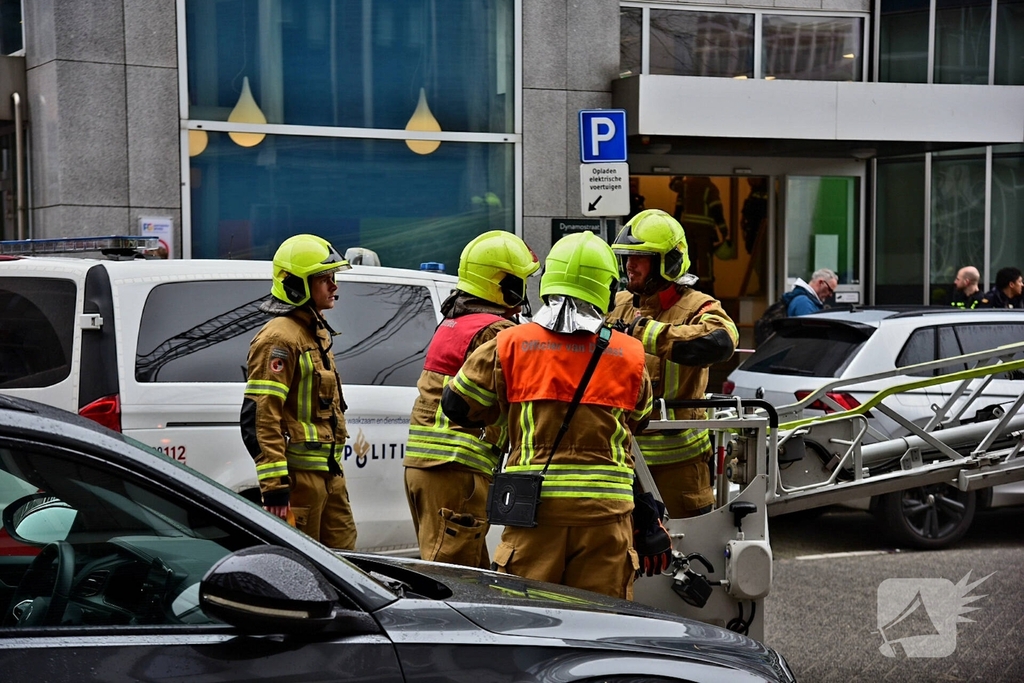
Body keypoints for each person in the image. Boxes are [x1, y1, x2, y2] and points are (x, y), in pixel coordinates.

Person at [441, 231, 654, 599]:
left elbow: (456, 404)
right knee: (602, 631)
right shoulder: (631, 354)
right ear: (606, 288)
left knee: (532, 627)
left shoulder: (509, 344)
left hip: (534, 512)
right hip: (606, 515)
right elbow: (641, 419)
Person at [404, 231, 540, 568]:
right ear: (504, 285)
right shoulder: (493, 332)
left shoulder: (455, 322)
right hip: (456, 468)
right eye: (521, 282)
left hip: (431, 469)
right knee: (453, 578)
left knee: (469, 571)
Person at [607, 209, 738, 520]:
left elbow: (722, 340)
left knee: (685, 553)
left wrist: (645, 333)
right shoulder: (620, 304)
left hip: (678, 471)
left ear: (669, 261)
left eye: (641, 258)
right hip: (623, 459)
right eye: (628, 256)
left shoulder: (698, 306)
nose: (630, 265)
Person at [240, 234, 357, 549]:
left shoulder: (314, 331)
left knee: (348, 566)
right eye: (324, 278)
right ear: (297, 284)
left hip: (328, 476)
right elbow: (260, 416)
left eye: (333, 277)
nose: (334, 285)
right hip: (298, 481)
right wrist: (276, 488)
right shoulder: (279, 338)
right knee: (302, 571)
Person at [669, 176, 731, 295]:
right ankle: (706, 289)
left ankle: (690, 288)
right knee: (705, 260)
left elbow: (678, 205)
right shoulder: (710, 188)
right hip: (704, 230)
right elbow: (716, 210)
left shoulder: (686, 185)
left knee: (689, 258)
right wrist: (724, 230)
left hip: (687, 229)